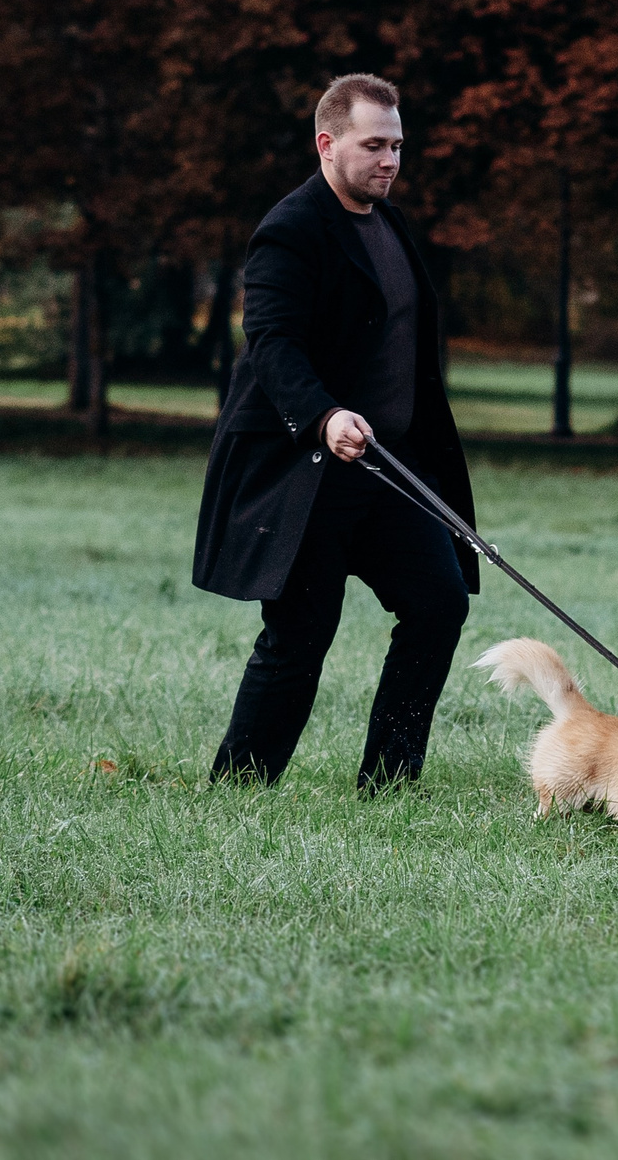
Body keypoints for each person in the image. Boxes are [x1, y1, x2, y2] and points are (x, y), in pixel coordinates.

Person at [194, 74, 479, 790]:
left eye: (398, 146)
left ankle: (387, 784)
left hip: (388, 471)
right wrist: (323, 414)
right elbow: (272, 342)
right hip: (308, 474)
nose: (390, 160)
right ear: (328, 144)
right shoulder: (290, 230)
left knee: (438, 604)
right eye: (374, 145)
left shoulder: (391, 225)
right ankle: (239, 789)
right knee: (299, 638)